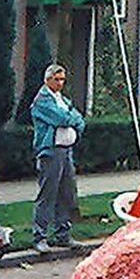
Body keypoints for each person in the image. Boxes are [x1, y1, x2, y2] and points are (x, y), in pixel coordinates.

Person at [31, 63, 86, 251]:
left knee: (66, 193)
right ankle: (40, 236)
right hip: (51, 151)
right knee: (48, 194)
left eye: (62, 79)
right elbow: (61, 118)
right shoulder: (42, 101)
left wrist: (73, 119)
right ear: (47, 80)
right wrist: (72, 118)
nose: (60, 83)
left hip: (66, 150)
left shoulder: (62, 99)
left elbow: (79, 119)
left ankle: (63, 233)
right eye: (56, 79)